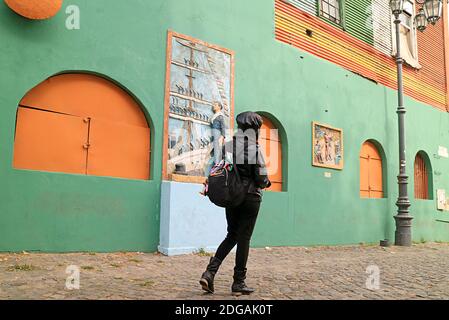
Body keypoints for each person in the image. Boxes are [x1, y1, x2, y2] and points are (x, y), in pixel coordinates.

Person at [199, 111, 271, 296]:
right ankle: (238, 283)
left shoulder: (228, 146)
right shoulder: (255, 148)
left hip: (231, 196)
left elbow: (220, 168)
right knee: (243, 239)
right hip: (250, 198)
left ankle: (210, 272)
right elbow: (261, 177)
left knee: (231, 235)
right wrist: (266, 183)